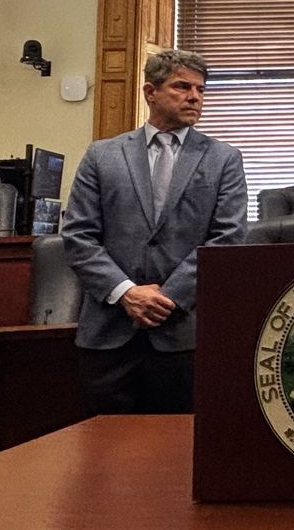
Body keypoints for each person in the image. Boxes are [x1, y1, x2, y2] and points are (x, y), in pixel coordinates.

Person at [61, 49, 247, 414]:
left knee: (176, 454)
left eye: (201, 89)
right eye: (182, 86)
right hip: (109, 333)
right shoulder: (102, 155)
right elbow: (79, 235)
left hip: (182, 335)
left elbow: (227, 238)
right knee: (104, 453)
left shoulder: (223, 159)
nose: (195, 97)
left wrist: (168, 297)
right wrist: (126, 292)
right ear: (150, 92)